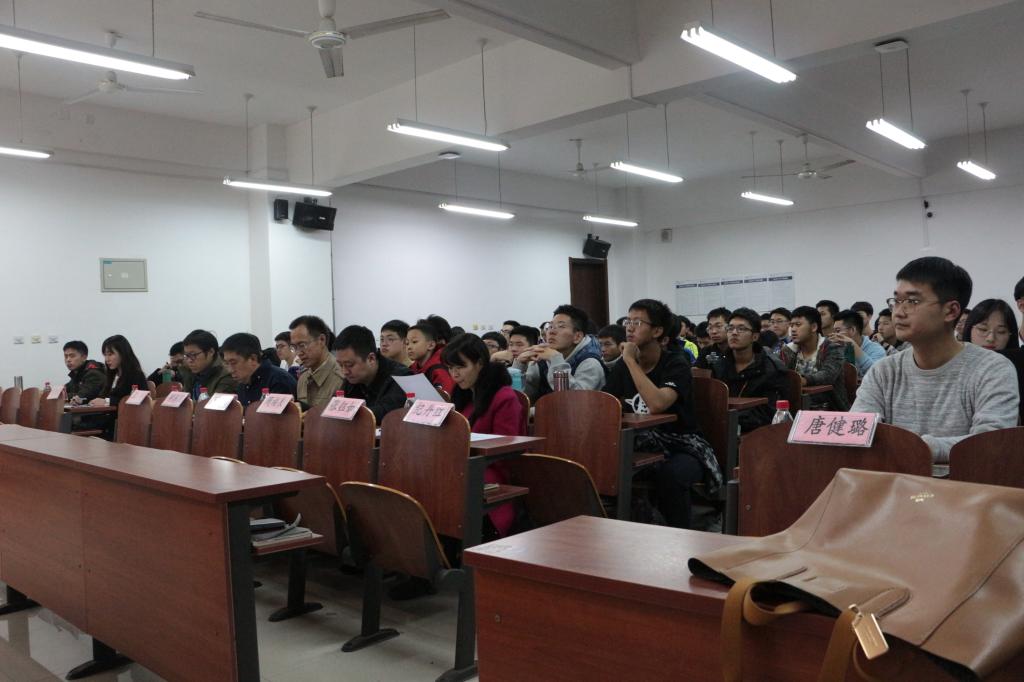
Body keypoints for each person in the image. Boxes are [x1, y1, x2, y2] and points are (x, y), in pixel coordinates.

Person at [852, 257, 1019, 463]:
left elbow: (990, 443)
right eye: (896, 301)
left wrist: (922, 448)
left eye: (912, 301)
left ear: (951, 311)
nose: (898, 313)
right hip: (893, 480)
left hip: (965, 481)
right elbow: (859, 430)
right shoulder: (884, 371)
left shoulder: (992, 369)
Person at [605, 299, 720, 529]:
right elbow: (606, 404)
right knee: (605, 467)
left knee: (671, 475)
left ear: (657, 331)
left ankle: (680, 537)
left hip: (682, 445)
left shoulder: (675, 363)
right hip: (639, 442)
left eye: (637, 322)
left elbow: (657, 404)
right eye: (628, 321)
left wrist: (630, 361)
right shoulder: (622, 367)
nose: (629, 328)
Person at [442, 333, 525, 537]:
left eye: (460, 367)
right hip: (462, 468)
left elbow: (506, 452)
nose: (454, 374)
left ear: (479, 363)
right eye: (450, 368)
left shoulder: (504, 397)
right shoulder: (463, 394)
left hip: (489, 473)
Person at [706, 308, 787, 432]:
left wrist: (732, 417)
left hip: (758, 432)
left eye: (741, 329)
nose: (734, 333)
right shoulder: (719, 365)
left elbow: (770, 412)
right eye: (730, 328)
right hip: (723, 428)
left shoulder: (770, 368)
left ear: (755, 336)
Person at [513, 304, 605, 402]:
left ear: (577, 337)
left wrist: (555, 360)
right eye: (550, 326)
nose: (551, 332)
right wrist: (519, 367)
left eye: (561, 326)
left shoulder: (590, 363)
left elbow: (573, 402)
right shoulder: (541, 358)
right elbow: (521, 398)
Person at [333, 325, 411, 421]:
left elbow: (385, 414)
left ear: (371, 358)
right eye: (340, 365)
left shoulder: (401, 377)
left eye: (349, 364)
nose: (344, 371)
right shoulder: (352, 378)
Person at [778, 306, 848, 411]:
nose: (793, 329)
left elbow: (828, 375)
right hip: (795, 408)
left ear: (814, 327)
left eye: (798, 325)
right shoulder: (787, 350)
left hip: (829, 408)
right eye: (791, 325)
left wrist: (804, 380)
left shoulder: (833, 347)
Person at [221, 333, 297, 407]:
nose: (230, 370)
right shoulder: (243, 383)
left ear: (253, 359)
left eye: (233, 363)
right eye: (227, 363)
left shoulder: (278, 380)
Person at [290, 315, 344, 410]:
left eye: (302, 345)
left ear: (321, 340)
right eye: (294, 347)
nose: (298, 353)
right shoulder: (303, 378)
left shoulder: (341, 378)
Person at [90, 335, 148, 408]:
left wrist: (107, 402)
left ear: (122, 353)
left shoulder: (136, 375)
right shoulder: (112, 375)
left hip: (123, 414)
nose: (107, 359)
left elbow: (137, 401)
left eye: (110, 354)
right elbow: (102, 396)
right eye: (105, 355)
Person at [181, 330, 238, 400]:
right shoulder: (191, 372)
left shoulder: (226, 376)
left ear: (211, 352)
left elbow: (214, 405)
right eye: (187, 355)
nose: (189, 360)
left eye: (193, 355)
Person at [830, 309, 886, 378]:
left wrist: (853, 345)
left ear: (852, 330)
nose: (835, 335)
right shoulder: (837, 349)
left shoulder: (877, 350)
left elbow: (876, 374)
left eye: (838, 331)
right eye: (834, 331)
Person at [406, 320, 456, 396]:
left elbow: (445, 399)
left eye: (414, 342)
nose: (409, 347)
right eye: (407, 343)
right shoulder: (412, 368)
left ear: (431, 345)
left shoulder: (439, 369)